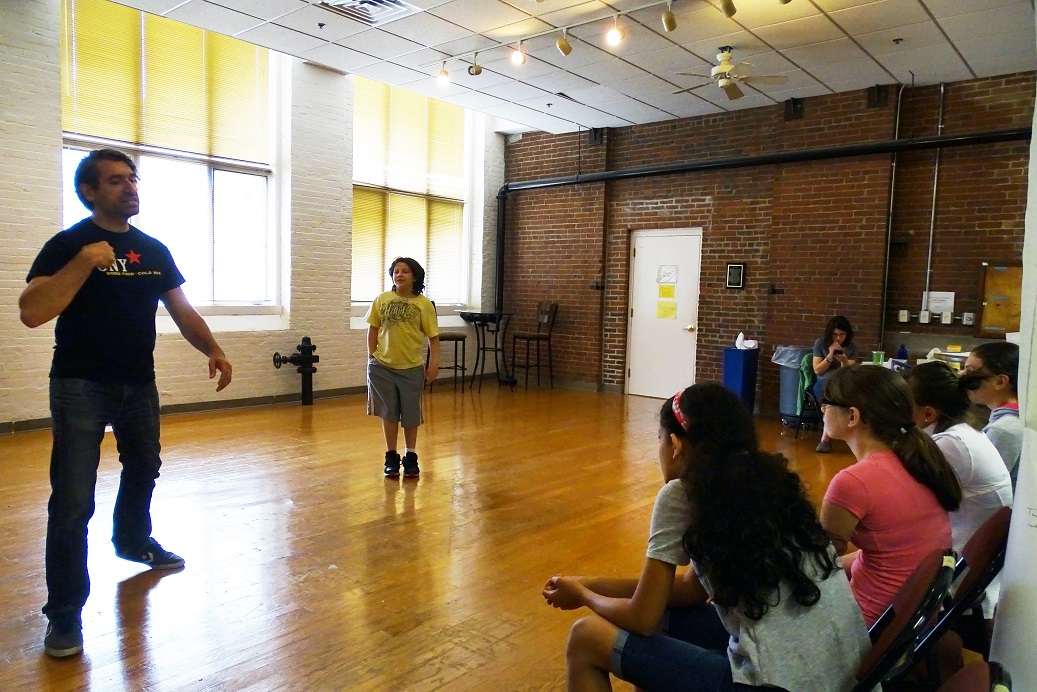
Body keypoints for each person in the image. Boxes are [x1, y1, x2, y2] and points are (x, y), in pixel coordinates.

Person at [19, 148, 233, 659]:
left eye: (133, 178)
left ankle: (133, 540)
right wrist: (85, 262)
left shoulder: (153, 250)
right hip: (80, 384)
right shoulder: (67, 245)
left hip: (138, 383)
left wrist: (215, 349)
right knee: (72, 499)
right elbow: (32, 311)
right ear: (89, 191)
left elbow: (181, 310)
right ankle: (65, 614)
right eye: (116, 180)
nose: (130, 187)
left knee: (144, 467)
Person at [543, 383, 871, 691]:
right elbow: (689, 591)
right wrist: (587, 583)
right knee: (665, 624)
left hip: (777, 683)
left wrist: (585, 597)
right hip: (842, 674)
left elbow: (642, 618)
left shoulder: (682, 494)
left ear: (674, 445)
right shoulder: (767, 482)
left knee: (586, 638)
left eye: (659, 438)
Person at [819, 365, 961, 626]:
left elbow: (818, 561)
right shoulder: (916, 460)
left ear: (852, 416)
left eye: (827, 403)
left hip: (869, 625)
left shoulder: (853, 482)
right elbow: (888, 553)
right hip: (914, 620)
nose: (822, 409)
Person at [907, 361, 1012, 621]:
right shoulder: (962, 434)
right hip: (970, 566)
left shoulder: (949, 445)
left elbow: (904, 511)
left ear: (929, 413)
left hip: (956, 578)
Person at [365, 257, 439, 479]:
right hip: (382, 367)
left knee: (410, 413)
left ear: (414, 276)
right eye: (396, 271)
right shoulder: (382, 300)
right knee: (388, 412)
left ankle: (411, 456)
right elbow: (372, 330)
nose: (399, 275)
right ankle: (391, 456)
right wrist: (371, 357)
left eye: (405, 271)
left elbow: (433, 339)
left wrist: (434, 364)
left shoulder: (423, 304)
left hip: (411, 368)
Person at [963, 342, 1022, 490]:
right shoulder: (1010, 419)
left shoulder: (1003, 430)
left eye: (970, 372)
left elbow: (984, 488)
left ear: (1000, 381)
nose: (962, 378)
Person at [812, 316, 859, 453]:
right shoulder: (820, 343)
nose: (838, 338)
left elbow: (848, 371)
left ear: (847, 334)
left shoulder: (852, 347)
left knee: (838, 397)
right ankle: (826, 439)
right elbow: (817, 370)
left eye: (842, 334)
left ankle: (825, 440)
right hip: (823, 382)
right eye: (835, 334)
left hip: (843, 383)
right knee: (832, 396)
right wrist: (830, 356)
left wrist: (844, 361)